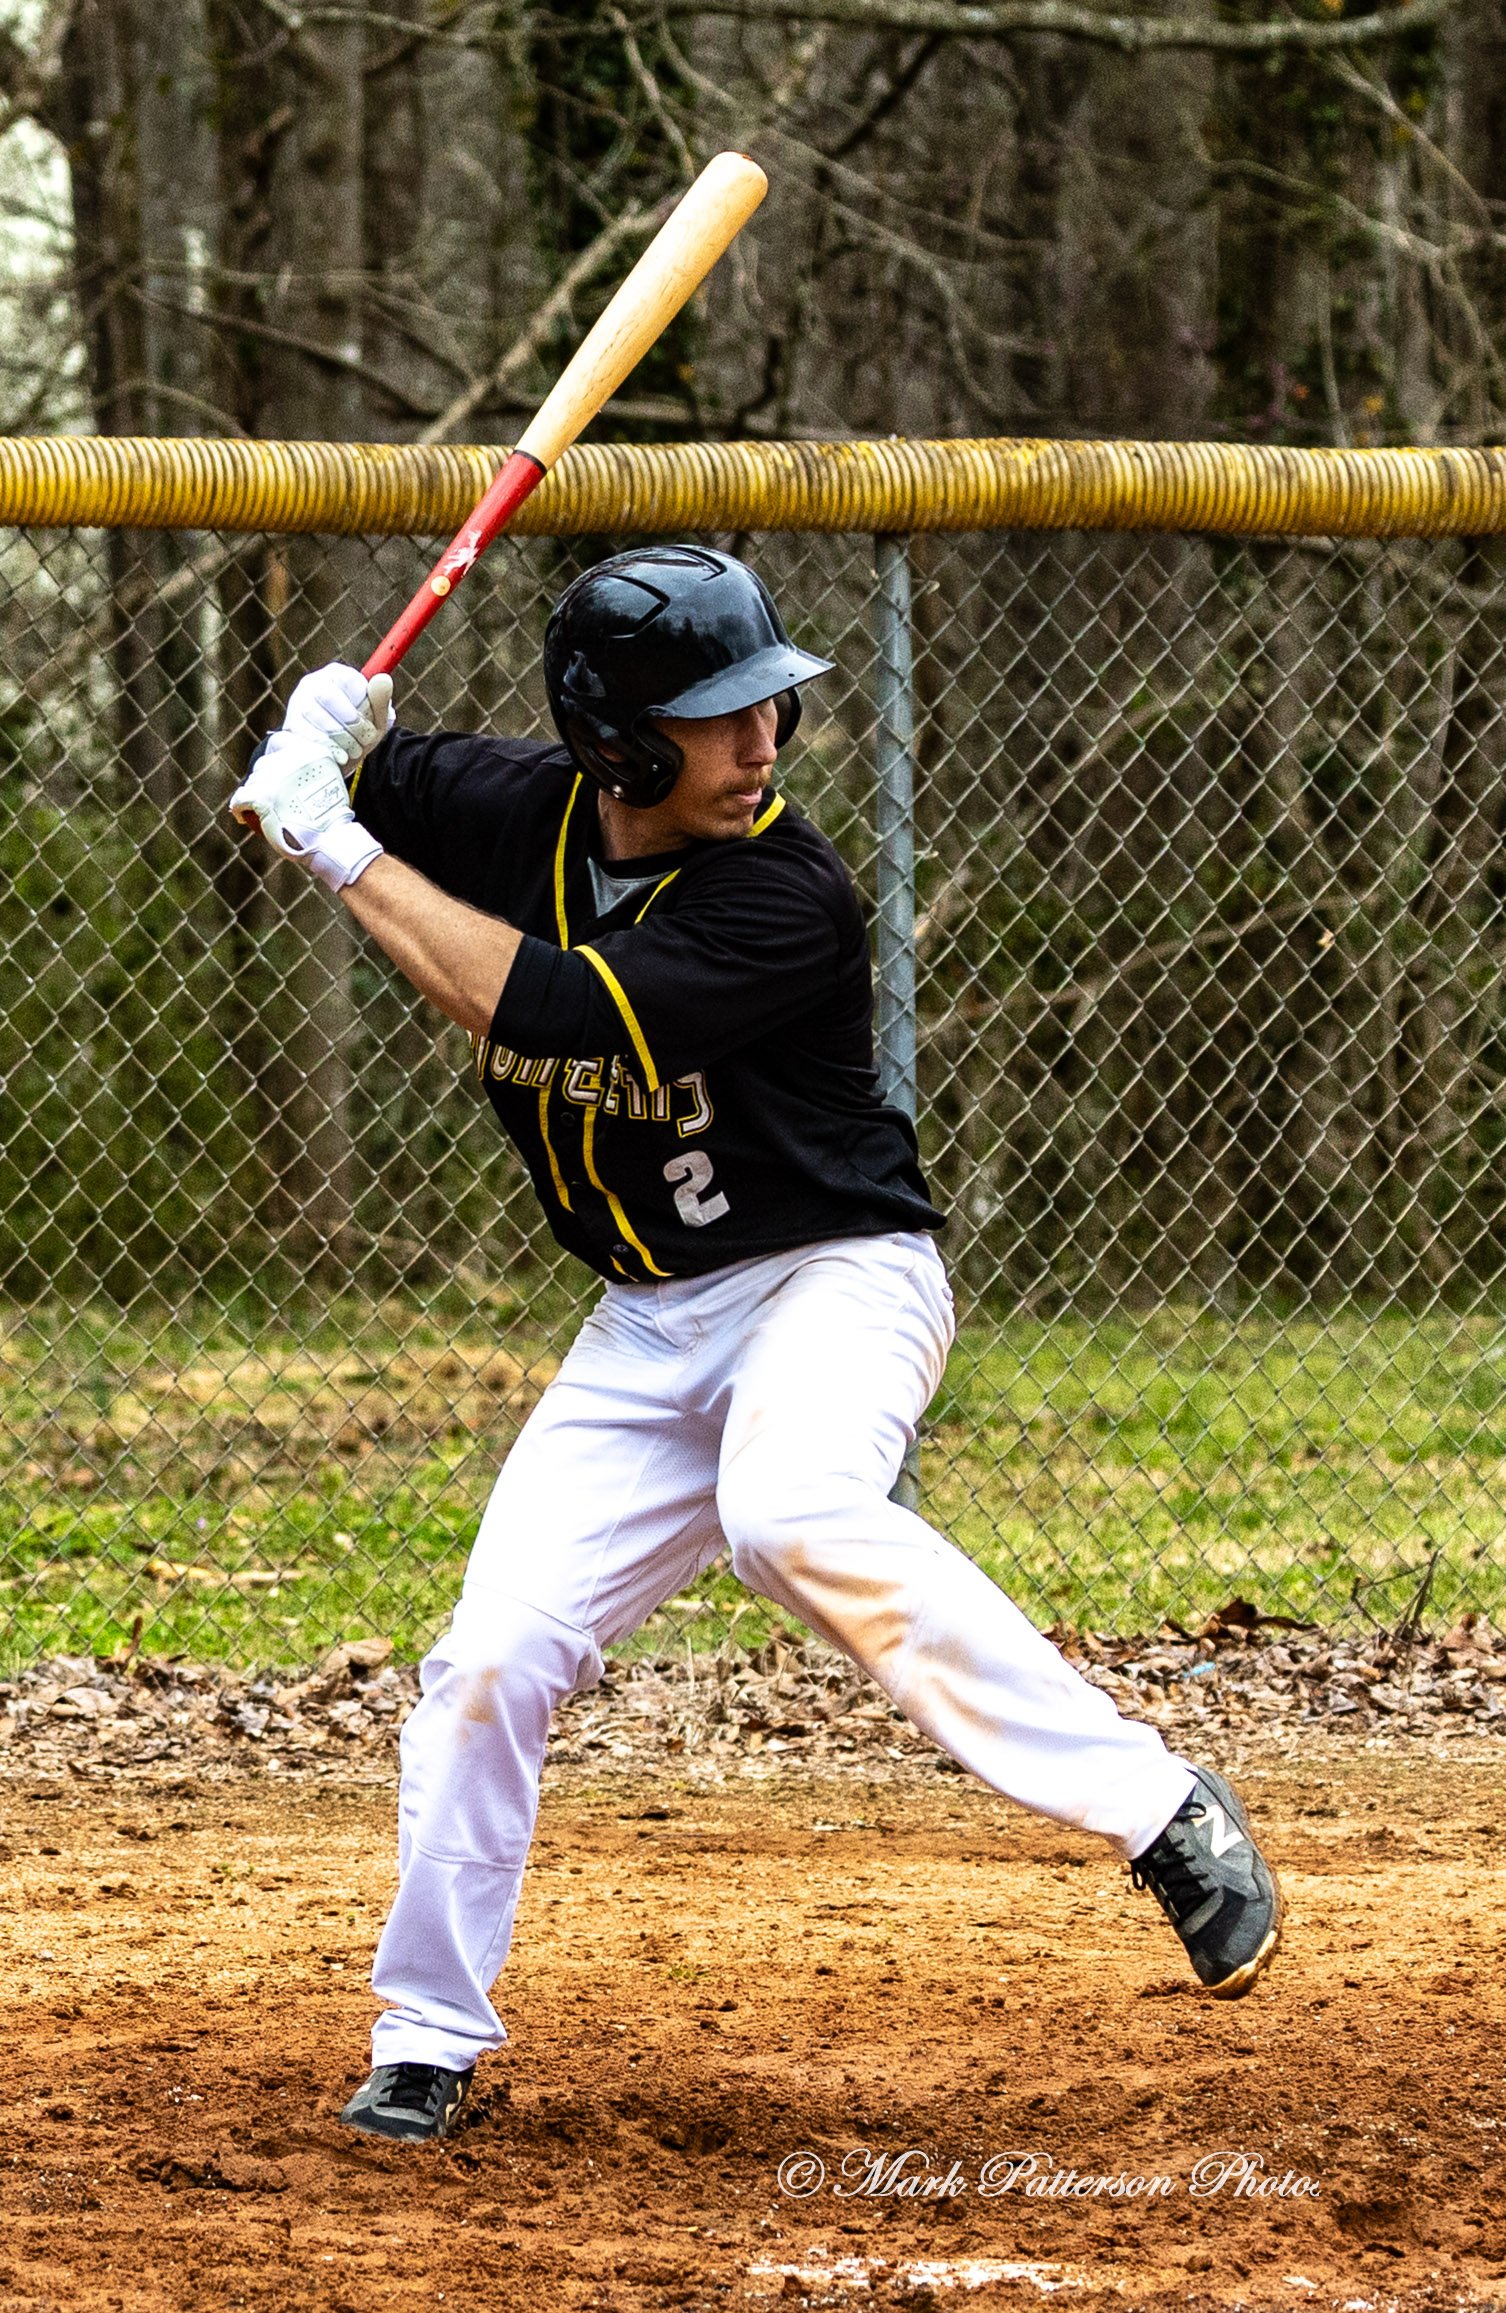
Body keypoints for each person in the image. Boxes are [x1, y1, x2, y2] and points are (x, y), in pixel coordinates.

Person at [229, 544, 1282, 2148]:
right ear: (618, 743)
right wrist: (329, 729)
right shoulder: (529, 807)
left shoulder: (788, 894)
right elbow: (374, 764)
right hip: (647, 1316)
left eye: (768, 710)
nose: (762, 743)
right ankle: (426, 2032)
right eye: (717, 720)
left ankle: (1157, 1807)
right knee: (490, 1660)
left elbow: (550, 1012)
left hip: (834, 1275)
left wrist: (331, 840)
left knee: (788, 1512)